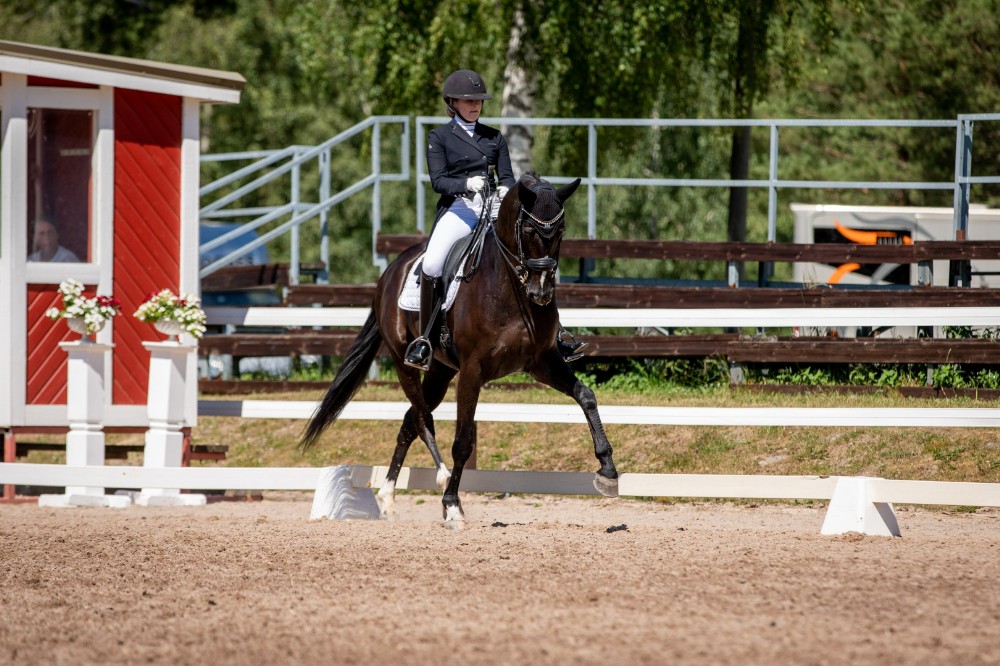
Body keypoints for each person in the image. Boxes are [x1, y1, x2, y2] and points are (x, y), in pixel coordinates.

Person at [403, 69, 587, 370]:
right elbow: (438, 181)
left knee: (532, 255)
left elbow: (506, 176)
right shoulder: (439, 137)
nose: (475, 105)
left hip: (493, 207)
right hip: (460, 208)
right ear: (452, 102)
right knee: (433, 263)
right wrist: (465, 185)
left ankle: (558, 334)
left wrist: (505, 189)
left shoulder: (494, 137)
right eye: (468, 100)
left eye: (479, 101)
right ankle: (424, 339)